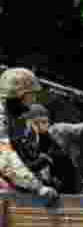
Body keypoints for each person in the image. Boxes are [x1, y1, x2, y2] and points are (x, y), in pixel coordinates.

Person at [20, 103, 83, 193]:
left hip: (70, 188)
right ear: (28, 124)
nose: (40, 127)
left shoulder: (60, 131)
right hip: (40, 191)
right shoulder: (23, 142)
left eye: (44, 122)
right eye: (36, 123)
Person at [0, 68, 59, 202]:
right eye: (31, 95)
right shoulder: (2, 118)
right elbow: (6, 159)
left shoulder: (17, 120)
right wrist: (37, 187)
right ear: (18, 95)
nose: (34, 100)